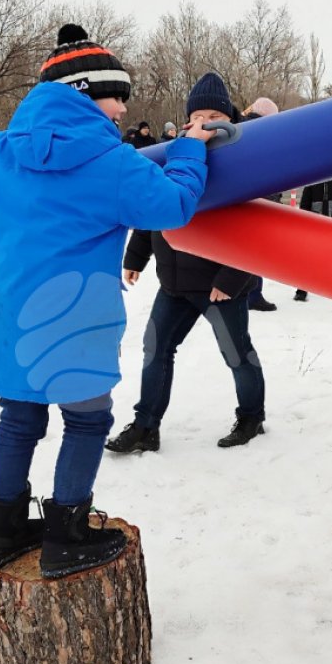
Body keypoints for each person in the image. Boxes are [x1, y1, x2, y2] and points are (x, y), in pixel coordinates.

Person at [0, 24, 213, 578]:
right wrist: (187, 150)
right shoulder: (109, 160)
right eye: (116, 96)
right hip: (74, 320)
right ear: (84, 94)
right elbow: (174, 204)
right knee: (86, 421)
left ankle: (1, 532)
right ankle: (67, 533)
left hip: (11, 317)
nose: (124, 110)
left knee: (17, 419)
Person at [106, 72, 267, 455]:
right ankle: (146, 425)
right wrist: (136, 256)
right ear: (187, 121)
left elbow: (258, 230)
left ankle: (251, 416)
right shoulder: (175, 155)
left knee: (237, 354)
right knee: (156, 350)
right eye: (199, 115)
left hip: (220, 286)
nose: (206, 122)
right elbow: (156, 207)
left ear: (228, 119)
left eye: (216, 114)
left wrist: (230, 278)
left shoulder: (245, 160)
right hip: (175, 283)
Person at [242, 97, 282, 312]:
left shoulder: (244, 129)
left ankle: (249, 293)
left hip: (251, 198)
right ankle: (253, 294)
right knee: (254, 249)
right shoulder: (260, 133)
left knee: (248, 249)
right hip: (257, 199)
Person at [295, 177, 332, 301]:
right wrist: (303, 224)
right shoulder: (312, 182)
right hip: (315, 227)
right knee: (308, 258)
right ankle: (302, 289)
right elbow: (305, 204)